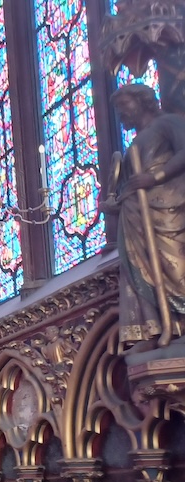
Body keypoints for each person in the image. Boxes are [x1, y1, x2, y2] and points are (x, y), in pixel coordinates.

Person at [102, 83, 185, 349]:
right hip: (136, 217)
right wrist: (115, 203)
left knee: (175, 263)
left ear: (143, 101)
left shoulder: (167, 123)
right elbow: (128, 184)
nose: (121, 114)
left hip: (168, 208)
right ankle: (157, 327)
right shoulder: (133, 145)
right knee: (141, 268)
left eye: (124, 106)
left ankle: (179, 321)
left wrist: (156, 176)